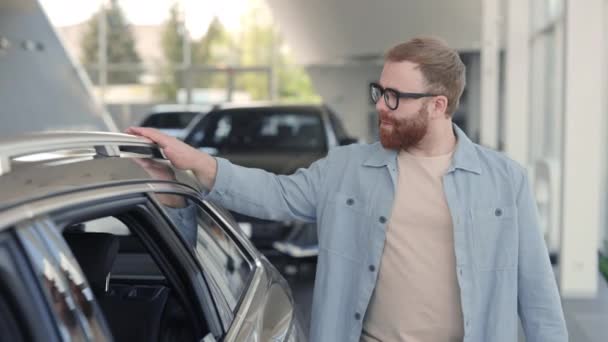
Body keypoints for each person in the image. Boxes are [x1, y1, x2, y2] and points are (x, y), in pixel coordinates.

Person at [127, 36, 567, 342]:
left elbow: (538, 296)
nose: (379, 105)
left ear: (438, 105)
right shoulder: (348, 167)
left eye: (395, 96)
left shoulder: (504, 180)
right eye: (379, 90)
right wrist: (198, 164)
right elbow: (276, 195)